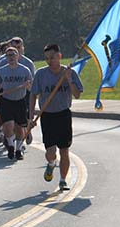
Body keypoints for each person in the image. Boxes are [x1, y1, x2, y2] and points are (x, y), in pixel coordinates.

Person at [30, 43, 84, 191]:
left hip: (63, 115)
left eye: (52, 57)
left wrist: (69, 79)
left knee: (64, 149)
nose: (49, 61)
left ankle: (62, 180)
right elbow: (33, 95)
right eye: (47, 58)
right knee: (50, 152)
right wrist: (30, 117)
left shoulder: (69, 73)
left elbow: (77, 94)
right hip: (47, 115)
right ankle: (52, 163)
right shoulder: (41, 74)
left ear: (59, 56)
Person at [0, 47, 33, 160]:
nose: (10, 57)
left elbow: (31, 87)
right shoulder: (1, 71)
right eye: (8, 55)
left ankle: (18, 149)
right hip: (7, 101)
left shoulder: (25, 70)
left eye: (13, 55)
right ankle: (10, 146)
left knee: (20, 128)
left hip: (20, 101)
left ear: (17, 56)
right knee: (8, 125)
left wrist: (27, 85)